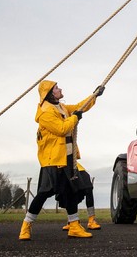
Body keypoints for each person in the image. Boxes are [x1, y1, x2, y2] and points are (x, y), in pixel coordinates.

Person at [19, 80, 103, 240]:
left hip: (65, 159)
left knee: (71, 191)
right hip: (53, 160)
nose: (60, 89)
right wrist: (75, 118)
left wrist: (94, 95)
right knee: (43, 194)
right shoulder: (45, 112)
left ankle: (74, 226)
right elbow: (61, 129)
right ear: (50, 93)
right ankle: (26, 226)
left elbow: (80, 106)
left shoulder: (61, 107)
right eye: (57, 88)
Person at [59, 160, 100, 231]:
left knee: (88, 189)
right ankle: (72, 221)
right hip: (63, 169)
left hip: (79, 169)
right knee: (69, 193)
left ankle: (91, 220)